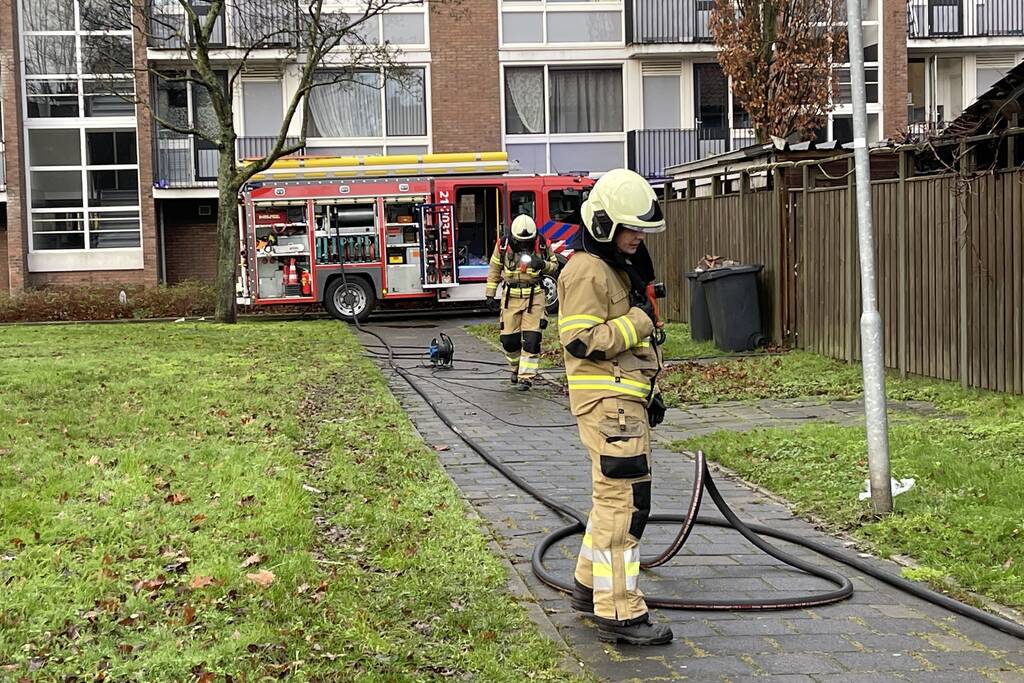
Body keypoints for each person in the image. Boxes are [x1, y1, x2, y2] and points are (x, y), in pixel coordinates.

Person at [556, 168, 671, 646]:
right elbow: (580, 340)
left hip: (622, 398)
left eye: (640, 228)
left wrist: (648, 389)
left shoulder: (611, 266)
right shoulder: (587, 270)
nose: (637, 237)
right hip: (608, 401)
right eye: (629, 228)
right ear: (604, 223)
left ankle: (589, 587)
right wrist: (639, 323)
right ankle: (620, 611)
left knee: (612, 500)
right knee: (624, 505)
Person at [485, 214, 558, 390]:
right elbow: (494, 269)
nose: (525, 245)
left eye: (528, 241)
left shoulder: (542, 244)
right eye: (521, 242)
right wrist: (490, 294)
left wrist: (542, 264)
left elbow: (555, 266)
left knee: (532, 339)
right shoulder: (502, 245)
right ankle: (516, 367)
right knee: (509, 341)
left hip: (535, 296)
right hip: (511, 297)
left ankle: (526, 377)